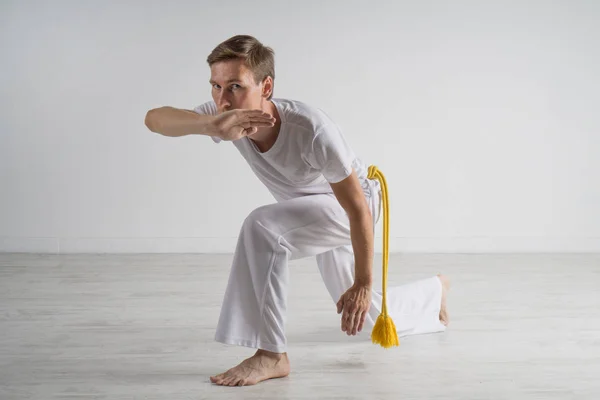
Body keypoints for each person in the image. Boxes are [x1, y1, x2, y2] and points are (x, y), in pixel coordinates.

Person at [145, 34, 450, 387]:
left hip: (352, 207)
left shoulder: (311, 130)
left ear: (267, 86)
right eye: (216, 87)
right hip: (309, 211)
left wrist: (364, 282)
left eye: (234, 87)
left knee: (263, 228)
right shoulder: (223, 116)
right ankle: (434, 292)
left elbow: (357, 209)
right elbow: (154, 119)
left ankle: (271, 354)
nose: (223, 100)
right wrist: (207, 125)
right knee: (365, 318)